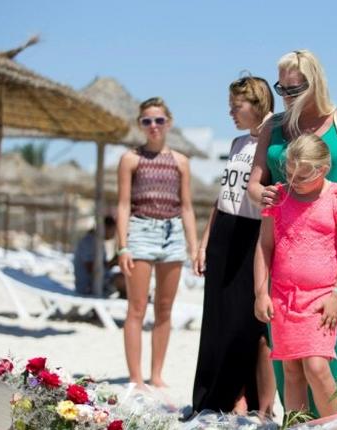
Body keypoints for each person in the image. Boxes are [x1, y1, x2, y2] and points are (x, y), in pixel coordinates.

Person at [248, 49, 337, 412]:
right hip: (283, 240)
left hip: (333, 252)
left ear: (316, 82)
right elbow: (255, 183)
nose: (288, 95)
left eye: (296, 88)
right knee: (287, 361)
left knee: (326, 355)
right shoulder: (273, 126)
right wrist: (263, 194)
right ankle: (296, 419)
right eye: (283, 88)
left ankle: (329, 420)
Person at [253, 134, 337, 417]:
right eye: (290, 173)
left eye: (302, 176)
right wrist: (260, 293)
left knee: (315, 365)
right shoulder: (278, 196)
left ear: (323, 169)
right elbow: (265, 247)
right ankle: (297, 423)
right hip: (283, 297)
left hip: (321, 298)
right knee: (290, 368)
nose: (294, 181)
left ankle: (331, 424)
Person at [191, 76, 276, 415]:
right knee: (219, 320)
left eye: (235, 105)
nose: (230, 112)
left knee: (251, 323)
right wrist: (203, 243)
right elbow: (223, 197)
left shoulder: (274, 142)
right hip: (225, 231)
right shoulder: (238, 142)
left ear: (256, 103)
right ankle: (220, 398)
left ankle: (257, 404)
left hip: (254, 233)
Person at [116, 97, 198, 389]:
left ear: (169, 123)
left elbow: (187, 207)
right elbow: (123, 205)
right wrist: (122, 245)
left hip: (172, 232)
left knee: (165, 309)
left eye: (159, 120)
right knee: (136, 308)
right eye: (147, 121)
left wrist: (193, 247)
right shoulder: (130, 159)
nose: (153, 126)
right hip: (140, 231)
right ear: (140, 124)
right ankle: (136, 377)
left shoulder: (181, 162)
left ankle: (156, 374)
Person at [74, 215, 126, 298]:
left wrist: (114, 262)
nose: (113, 234)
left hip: (97, 282)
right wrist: (112, 263)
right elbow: (92, 269)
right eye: (113, 231)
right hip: (88, 287)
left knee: (127, 277)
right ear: (105, 228)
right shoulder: (89, 241)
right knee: (123, 280)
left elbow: (99, 267)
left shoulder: (97, 241)